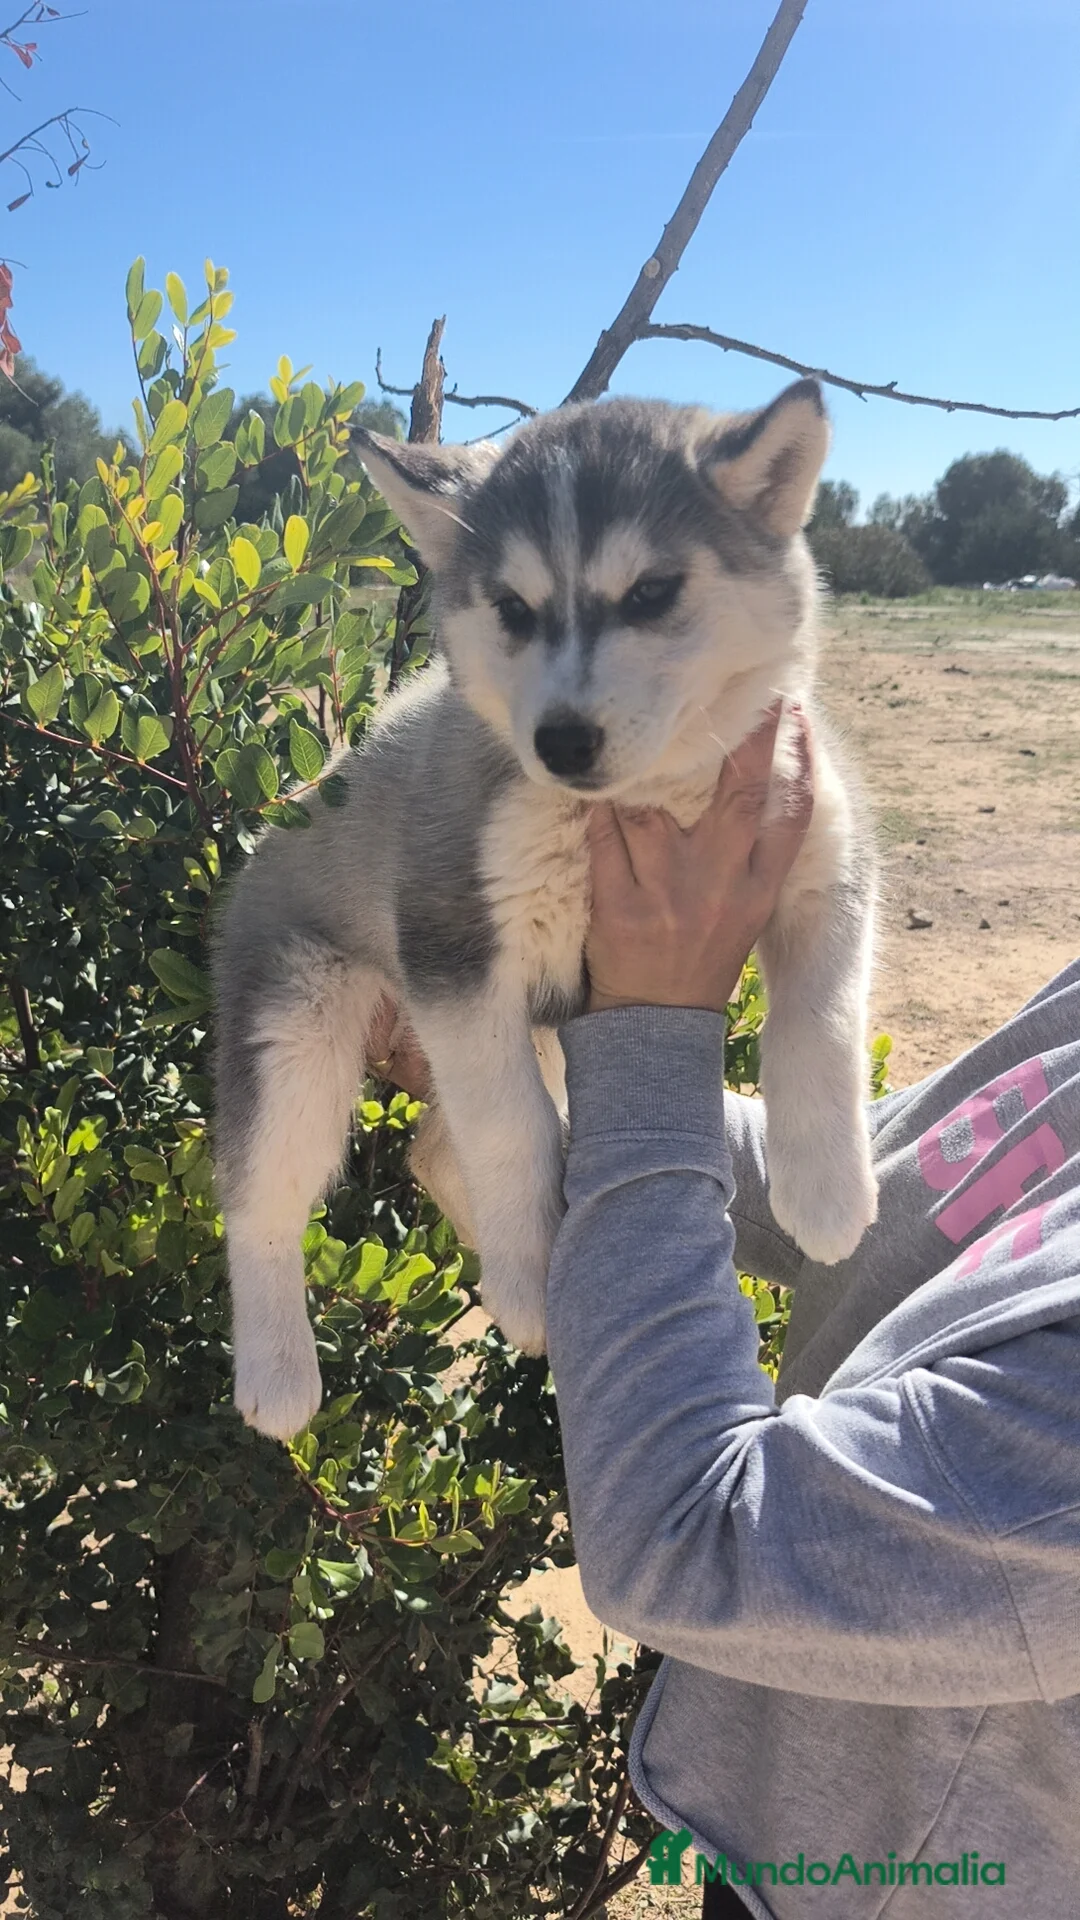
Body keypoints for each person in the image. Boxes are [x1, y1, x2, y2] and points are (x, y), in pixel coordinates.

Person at [371, 705, 1080, 1918]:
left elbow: (691, 1538)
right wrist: (529, 1065)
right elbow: (856, 1205)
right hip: (781, 1830)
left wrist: (648, 1025)